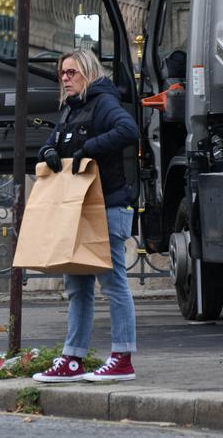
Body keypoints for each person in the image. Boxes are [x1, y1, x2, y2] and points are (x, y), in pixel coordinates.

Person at [32, 48, 139, 383]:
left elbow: (128, 130)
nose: (65, 78)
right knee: (76, 286)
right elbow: (50, 142)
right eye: (62, 73)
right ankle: (73, 357)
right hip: (77, 212)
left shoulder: (104, 102)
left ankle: (122, 357)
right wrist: (48, 151)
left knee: (112, 283)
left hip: (107, 207)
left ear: (89, 73)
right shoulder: (68, 110)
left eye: (72, 73)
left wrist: (90, 148)